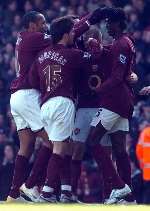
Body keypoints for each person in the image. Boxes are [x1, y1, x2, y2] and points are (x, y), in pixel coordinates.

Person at [86, 8, 136, 204]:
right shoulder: (123, 42)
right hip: (124, 101)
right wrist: (102, 49)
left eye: (109, 22)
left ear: (118, 23)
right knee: (120, 150)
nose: (106, 25)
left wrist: (99, 90)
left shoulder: (121, 44)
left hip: (114, 101)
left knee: (93, 140)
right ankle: (129, 197)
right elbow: (122, 71)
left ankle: (119, 187)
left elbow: (116, 77)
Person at [7, 11, 53, 202]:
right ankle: (30, 186)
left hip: (16, 97)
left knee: (26, 147)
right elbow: (59, 36)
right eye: (42, 22)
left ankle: (13, 194)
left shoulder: (22, 37)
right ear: (32, 25)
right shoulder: (33, 37)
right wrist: (83, 22)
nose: (45, 25)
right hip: (27, 95)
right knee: (53, 141)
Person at [136, 126, 150, 204]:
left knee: (147, 195)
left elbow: (138, 150)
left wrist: (142, 166)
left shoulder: (144, 133)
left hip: (147, 173)